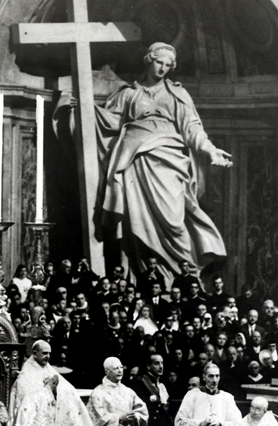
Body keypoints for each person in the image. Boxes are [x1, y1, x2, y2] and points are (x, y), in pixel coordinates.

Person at [65, 42, 231, 285]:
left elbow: (192, 128)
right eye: (159, 62)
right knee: (137, 222)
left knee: (174, 221)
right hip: (135, 163)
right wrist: (81, 109)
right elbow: (106, 122)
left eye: (168, 65)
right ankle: (140, 280)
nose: (163, 68)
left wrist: (211, 150)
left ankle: (185, 277)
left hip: (168, 161)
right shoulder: (128, 94)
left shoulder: (177, 94)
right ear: (148, 60)